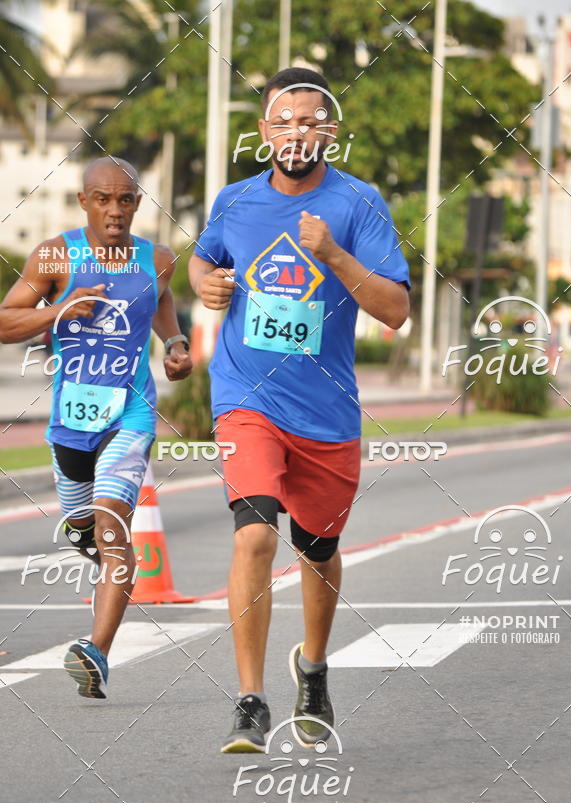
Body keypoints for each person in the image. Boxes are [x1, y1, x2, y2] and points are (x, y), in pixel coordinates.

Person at [189, 67, 410, 753]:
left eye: (310, 120)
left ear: (330, 132)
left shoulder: (359, 203)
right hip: (246, 396)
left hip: (326, 411)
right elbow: (201, 263)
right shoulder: (235, 201)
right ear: (264, 133)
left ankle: (312, 667)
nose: (296, 132)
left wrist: (333, 254)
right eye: (283, 121)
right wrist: (210, 287)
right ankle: (250, 697)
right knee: (254, 535)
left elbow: (397, 311)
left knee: (318, 550)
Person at [0, 156, 192, 699]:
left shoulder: (155, 259)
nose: (115, 210)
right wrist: (61, 311)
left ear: (137, 202)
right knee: (84, 525)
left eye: (126, 199)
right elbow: (5, 322)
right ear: (84, 202)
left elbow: (162, 302)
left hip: (129, 415)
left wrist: (174, 344)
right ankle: (93, 540)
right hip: (70, 425)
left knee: (112, 524)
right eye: (103, 199)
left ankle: (96, 652)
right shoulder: (56, 255)